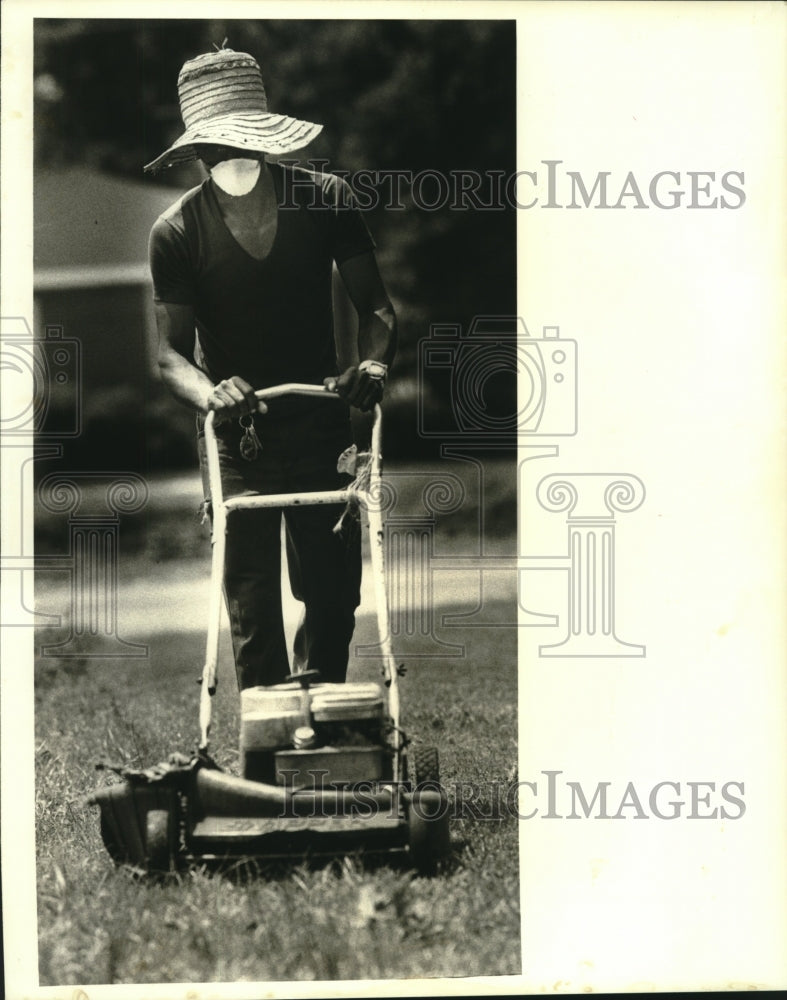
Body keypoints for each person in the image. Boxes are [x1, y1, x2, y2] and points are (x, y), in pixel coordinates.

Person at [145, 47, 396, 691]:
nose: (232, 158)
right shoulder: (177, 232)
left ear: (265, 140)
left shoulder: (325, 200)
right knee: (253, 607)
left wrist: (369, 364)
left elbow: (379, 310)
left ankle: (322, 725)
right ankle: (268, 755)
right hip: (238, 439)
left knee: (333, 596)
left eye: (243, 142)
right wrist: (210, 392)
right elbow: (168, 354)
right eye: (218, 146)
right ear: (197, 151)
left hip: (320, 420)